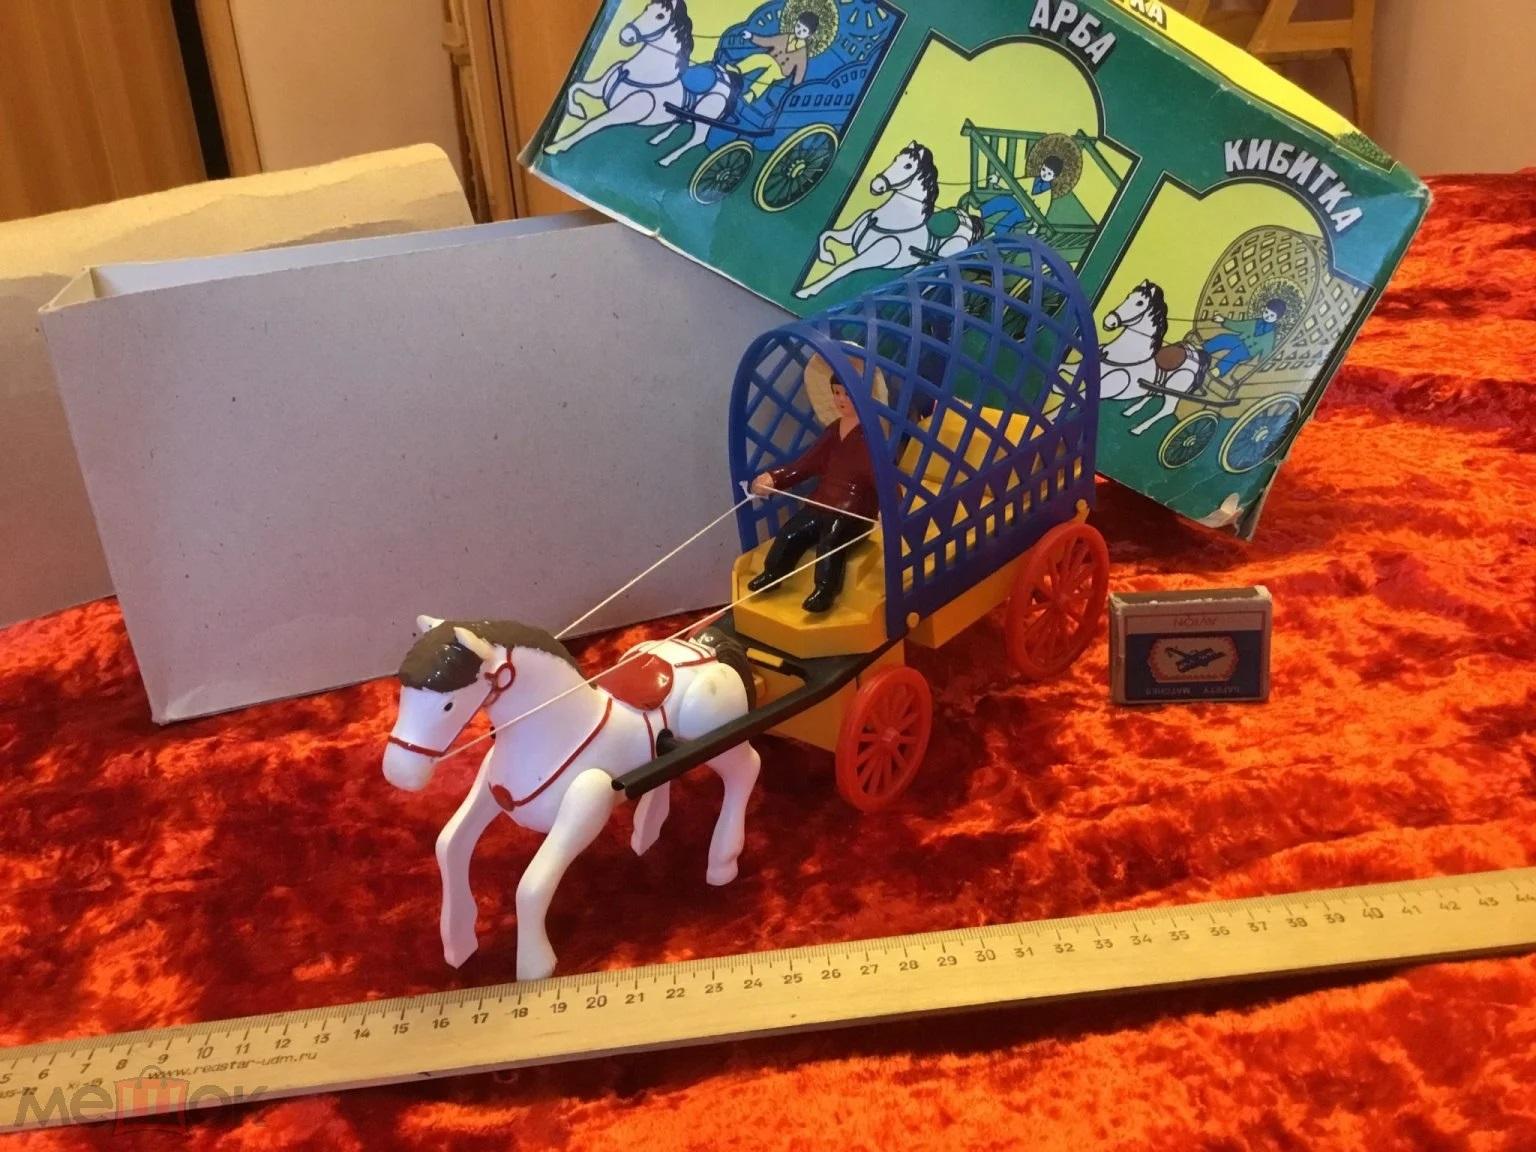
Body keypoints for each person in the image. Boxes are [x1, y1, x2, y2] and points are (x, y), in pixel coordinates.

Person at [747, 352, 883, 614]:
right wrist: (775, 477)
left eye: (847, 394)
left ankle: (825, 591)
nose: (841, 399)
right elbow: (806, 464)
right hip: (822, 501)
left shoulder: (871, 436)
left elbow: (883, 476)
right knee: (791, 532)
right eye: (837, 393)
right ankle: (773, 574)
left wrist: (891, 508)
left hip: (855, 511)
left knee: (830, 540)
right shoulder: (833, 430)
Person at [739, 11, 819, 101]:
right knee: (758, 58)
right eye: (798, 26)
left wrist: (795, 87)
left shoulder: (802, 52)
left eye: (804, 30)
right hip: (771, 58)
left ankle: (752, 94)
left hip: (781, 70)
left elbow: (800, 70)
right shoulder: (786, 37)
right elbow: (767, 41)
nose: (799, 31)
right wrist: (751, 36)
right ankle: (738, 69)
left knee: (769, 74)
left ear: (809, 34)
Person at [1202, 299, 1287, 379]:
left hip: (1248, 350)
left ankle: (1218, 370)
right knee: (1223, 338)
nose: (1267, 316)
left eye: (1272, 315)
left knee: (1235, 354)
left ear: (1277, 318)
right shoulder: (1255, 322)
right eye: (1266, 312)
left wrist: (1262, 363)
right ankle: (1204, 348)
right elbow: (1239, 325)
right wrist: (1223, 320)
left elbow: (1267, 350)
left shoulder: (1270, 335)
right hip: (1239, 339)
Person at [979, 155, 1064, 236]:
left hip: (1025, 213)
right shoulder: (1032, 181)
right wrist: (998, 180)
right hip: (1015, 200)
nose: (1044, 174)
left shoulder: (1047, 194)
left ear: (1054, 177)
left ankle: (994, 234)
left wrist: (1035, 226)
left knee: (1012, 217)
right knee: (1001, 200)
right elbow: (1015, 185)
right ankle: (980, 212)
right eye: (1044, 169)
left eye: (1049, 173)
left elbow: (1042, 213)